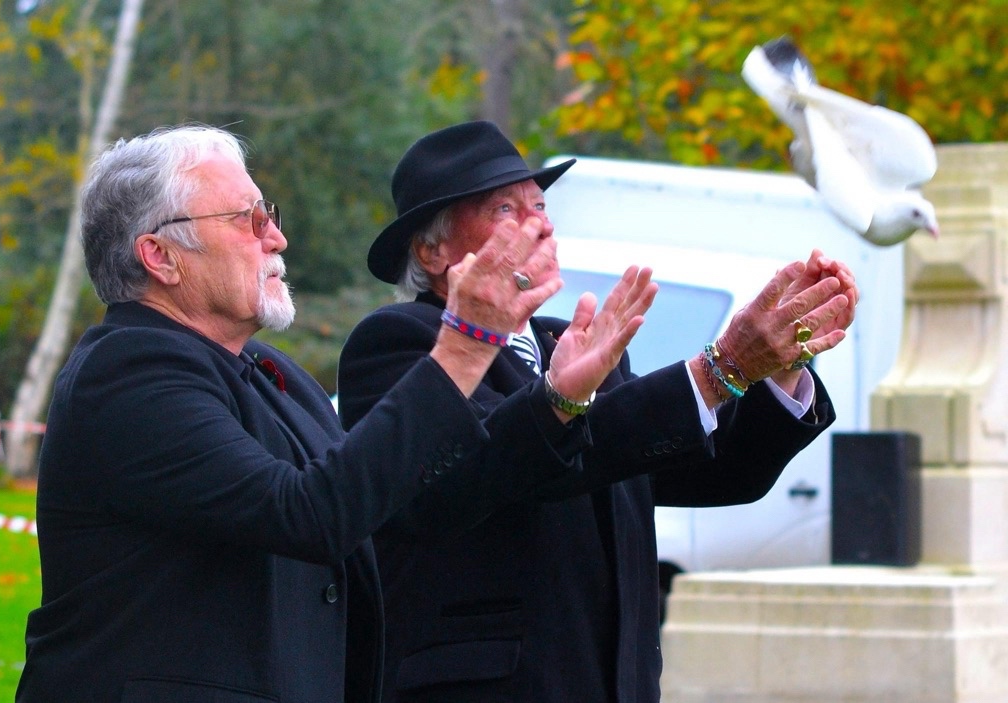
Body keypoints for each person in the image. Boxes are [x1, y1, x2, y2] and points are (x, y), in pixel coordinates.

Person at [15, 124, 656, 703]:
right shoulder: (128, 373)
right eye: (247, 218)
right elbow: (311, 514)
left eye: (269, 213)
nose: (277, 236)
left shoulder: (274, 373)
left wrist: (561, 399)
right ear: (161, 257)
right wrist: (465, 343)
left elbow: (375, 494)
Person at [337, 120, 860, 703]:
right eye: (506, 209)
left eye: (540, 203)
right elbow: (498, 464)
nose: (541, 222)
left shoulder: (575, 341)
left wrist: (780, 359)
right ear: (433, 251)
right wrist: (720, 368)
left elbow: (712, 471)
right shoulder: (399, 343)